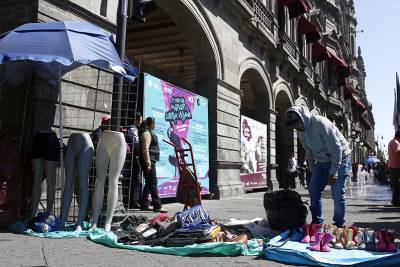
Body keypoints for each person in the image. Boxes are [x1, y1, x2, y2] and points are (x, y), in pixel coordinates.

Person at [285, 105, 351, 227]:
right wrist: (315, 172)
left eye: (296, 122)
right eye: (293, 124)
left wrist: (334, 172)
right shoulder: (300, 132)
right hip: (322, 161)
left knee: (337, 193)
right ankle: (317, 223)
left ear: (303, 117)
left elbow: (337, 149)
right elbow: (309, 153)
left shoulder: (321, 123)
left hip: (340, 158)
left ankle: (339, 226)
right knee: (313, 190)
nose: (295, 126)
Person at [139, 117, 167, 213]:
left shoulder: (148, 132)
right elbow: (145, 149)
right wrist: (148, 163)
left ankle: (144, 203)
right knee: (153, 182)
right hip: (148, 161)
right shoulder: (146, 133)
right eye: (154, 123)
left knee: (149, 182)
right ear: (151, 124)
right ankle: (157, 205)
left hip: (150, 160)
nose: (155, 125)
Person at [124, 112, 143, 209]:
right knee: (136, 179)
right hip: (134, 158)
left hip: (133, 157)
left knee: (136, 179)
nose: (141, 122)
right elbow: (136, 143)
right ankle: (133, 201)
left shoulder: (133, 129)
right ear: (136, 120)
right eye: (140, 120)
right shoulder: (132, 129)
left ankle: (133, 200)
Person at [388, 128, 400, 206]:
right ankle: (395, 201)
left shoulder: (395, 142)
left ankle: (395, 200)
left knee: (396, 184)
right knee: (396, 184)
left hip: (395, 166)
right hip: (395, 167)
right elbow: (398, 151)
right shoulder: (395, 142)